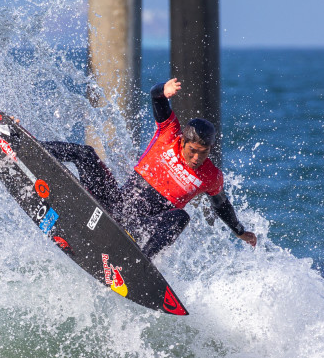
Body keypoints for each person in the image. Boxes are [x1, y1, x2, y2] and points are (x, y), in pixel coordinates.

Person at [43, 78, 256, 258]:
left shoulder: (211, 176)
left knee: (181, 218)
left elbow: (221, 205)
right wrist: (163, 90)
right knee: (86, 154)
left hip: (139, 227)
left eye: (204, 152)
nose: (197, 157)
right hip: (115, 205)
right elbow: (156, 97)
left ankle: (140, 263)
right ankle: (24, 147)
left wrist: (239, 231)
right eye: (193, 150)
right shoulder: (169, 133)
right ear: (183, 142)